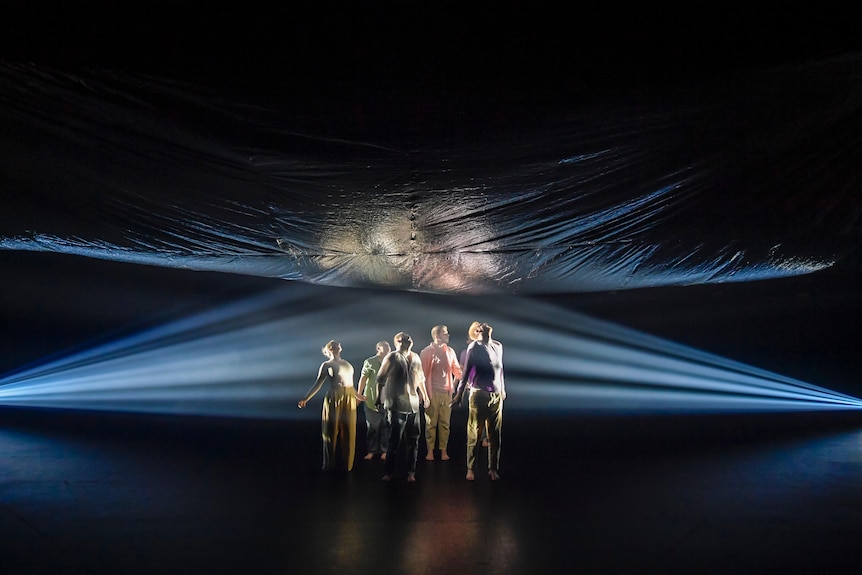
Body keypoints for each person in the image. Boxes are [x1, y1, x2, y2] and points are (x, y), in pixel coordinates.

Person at [452, 323, 505, 481]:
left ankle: (493, 468)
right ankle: (471, 468)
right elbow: (466, 370)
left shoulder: (497, 345)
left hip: (495, 395)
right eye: (479, 328)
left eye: (483, 326)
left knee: (495, 434)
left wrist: (502, 388)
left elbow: (500, 368)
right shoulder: (474, 347)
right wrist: (460, 393)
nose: (482, 326)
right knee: (475, 432)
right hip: (478, 394)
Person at [376, 332, 430, 483]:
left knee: (413, 440)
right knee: (394, 440)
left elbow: (420, 379)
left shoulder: (416, 357)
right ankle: (389, 472)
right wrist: (378, 398)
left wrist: (425, 396)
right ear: (398, 342)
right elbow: (380, 379)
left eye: (409, 338)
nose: (409, 340)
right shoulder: (392, 357)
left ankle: (410, 472)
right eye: (405, 338)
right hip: (396, 404)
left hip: (413, 404)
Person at [298, 340, 358, 472]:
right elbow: (318, 383)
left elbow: (351, 384)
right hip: (334, 396)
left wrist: (358, 396)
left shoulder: (347, 364)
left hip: (349, 396)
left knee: (349, 430)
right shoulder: (326, 365)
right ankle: (329, 464)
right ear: (329, 349)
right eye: (333, 345)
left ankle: (347, 465)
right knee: (331, 429)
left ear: (340, 348)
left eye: (338, 344)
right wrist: (306, 398)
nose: (336, 346)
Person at [419, 325, 462, 461]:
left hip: (446, 393)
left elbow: (457, 370)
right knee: (431, 423)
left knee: (445, 423)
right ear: (437, 336)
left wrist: (464, 380)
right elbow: (422, 375)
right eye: (445, 333)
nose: (448, 335)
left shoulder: (449, 351)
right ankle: (430, 450)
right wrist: (423, 395)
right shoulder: (426, 352)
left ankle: (443, 450)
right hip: (432, 393)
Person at [357, 340, 391, 460]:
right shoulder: (370, 362)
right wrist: (359, 394)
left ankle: (384, 450)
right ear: (378, 349)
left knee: (385, 427)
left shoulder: (392, 362)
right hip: (371, 399)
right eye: (384, 347)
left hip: (387, 400)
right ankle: (372, 450)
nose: (387, 349)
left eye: (388, 347)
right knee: (372, 427)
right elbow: (363, 378)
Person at [460, 321, 489, 448]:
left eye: (480, 331)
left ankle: (486, 438)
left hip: (488, 386)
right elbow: (463, 369)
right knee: (475, 415)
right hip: (473, 387)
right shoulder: (467, 351)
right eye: (476, 331)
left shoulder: (491, 348)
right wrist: (464, 384)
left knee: (488, 414)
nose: (478, 333)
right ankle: (474, 438)